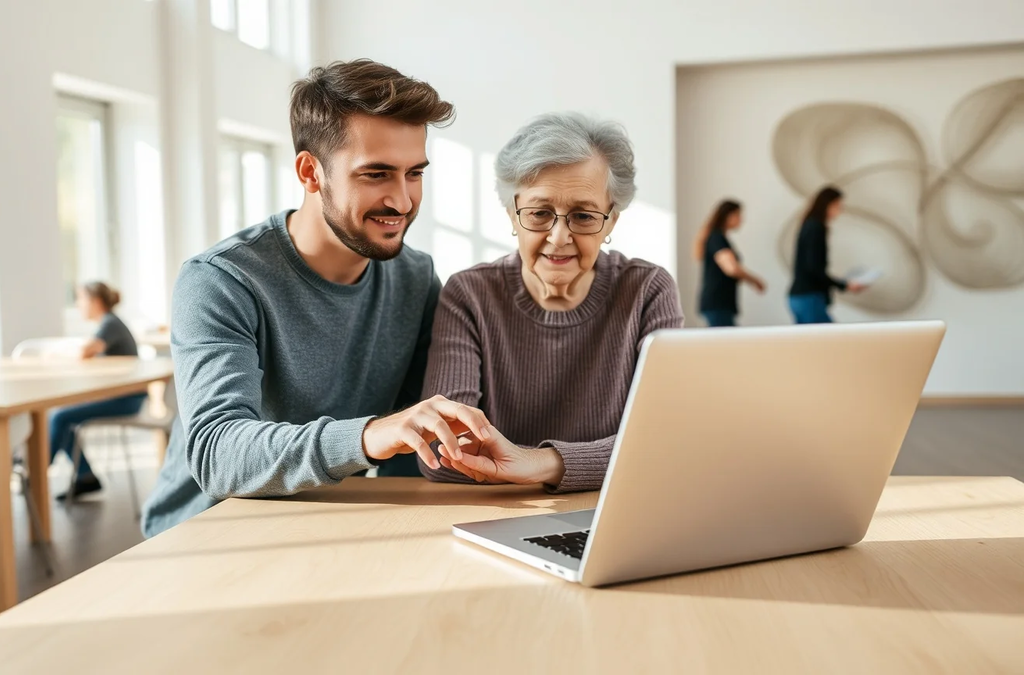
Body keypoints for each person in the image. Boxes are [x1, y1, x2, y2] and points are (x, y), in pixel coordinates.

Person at [140, 59, 492, 537]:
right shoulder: (222, 280)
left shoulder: (415, 277)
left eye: (414, 173)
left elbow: (415, 438)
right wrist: (368, 436)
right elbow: (216, 452)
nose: (403, 201)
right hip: (205, 534)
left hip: (328, 522)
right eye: (376, 174)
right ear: (311, 172)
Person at [417, 112, 684, 491]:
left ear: (611, 221)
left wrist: (542, 463)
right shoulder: (470, 295)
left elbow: (669, 440)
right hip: (494, 513)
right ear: (512, 214)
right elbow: (440, 451)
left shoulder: (647, 290)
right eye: (540, 213)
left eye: (583, 215)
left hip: (615, 508)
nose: (559, 237)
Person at [49, 281, 148, 500]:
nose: (78, 305)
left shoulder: (110, 324)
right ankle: (85, 476)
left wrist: (57, 354)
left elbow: (85, 352)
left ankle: (36, 471)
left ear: (95, 301)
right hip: (121, 397)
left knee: (60, 417)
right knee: (62, 416)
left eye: (80, 299)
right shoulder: (109, 322)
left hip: (127, 400)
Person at [788, 186, 865, 324]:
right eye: (838, 206)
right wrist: (844, 285)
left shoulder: (809, 225)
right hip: (808, 297)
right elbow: (814, 268)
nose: (840, 210)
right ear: (829, 204)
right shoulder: (815, 228)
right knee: (830, 337)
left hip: (801, 297)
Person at [694, 199, 765, 327]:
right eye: (738, 215)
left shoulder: (718, 237)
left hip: (720, 304)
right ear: (727, 216)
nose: (741, 219)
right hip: (718, 303)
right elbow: (731, 268)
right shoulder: (717, 238)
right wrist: (754, 281)